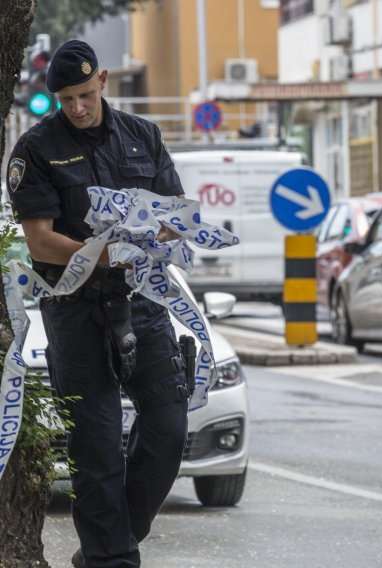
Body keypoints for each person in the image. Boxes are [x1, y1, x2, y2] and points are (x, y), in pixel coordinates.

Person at [7, 40, 189, 568]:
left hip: (142, 303)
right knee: (96, 447)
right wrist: (107, 252)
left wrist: (157, 234)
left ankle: (107, 547)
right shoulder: (36, 149)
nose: (78, 107)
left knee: (169, 427)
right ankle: (113, 560)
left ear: (103, 81)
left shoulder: (143, 136)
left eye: (85, 94)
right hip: (75, 308)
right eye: (66, 99)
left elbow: (172, 214)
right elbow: (41, 240)